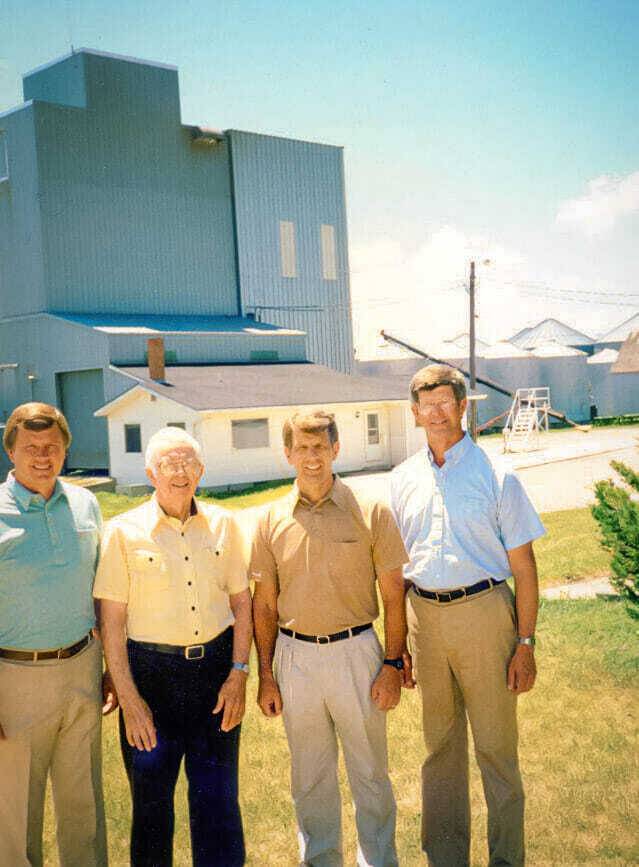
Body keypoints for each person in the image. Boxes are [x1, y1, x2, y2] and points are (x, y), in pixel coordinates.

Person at [390, 364, 545, 867]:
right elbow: (396, 572)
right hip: (424, 621)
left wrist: (525, 644)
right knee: (439, 750)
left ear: (462, 406)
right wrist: (399, 649)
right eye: (425, 404)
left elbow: (525, 569)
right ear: (414, 414)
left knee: (497, 751)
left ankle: (506, 860)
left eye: (445, 402)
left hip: (485, 615)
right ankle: (447, 857)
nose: (436, 412)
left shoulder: (498, 476)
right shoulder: (401, 480)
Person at [251, 410, 410, 867]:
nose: (311, 457)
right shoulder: (269, 520)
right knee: (310, 776)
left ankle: (378, 860)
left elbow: (394, 594)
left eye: (319, 447)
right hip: (295, 657)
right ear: (287, 455)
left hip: (357, 653)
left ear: (336, 450)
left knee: (370, 773)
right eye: (301, 448)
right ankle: (320, 859)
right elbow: (264, 605)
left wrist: (393, 664)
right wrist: (266, 676)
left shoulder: (371, 511)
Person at [94, 426, 251, 867]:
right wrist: (130, 700)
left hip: (216, 677)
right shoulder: (123, 533)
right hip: (151, 680)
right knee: (151, 807)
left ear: (201, 470)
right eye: (168, 463)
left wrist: (239, 674)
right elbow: (112, 622)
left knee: (218, 803)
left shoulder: (224, 525)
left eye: (188, 463)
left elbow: (242, 602)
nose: (179, 472)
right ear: (150, 472)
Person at [0, 402, 114, 867]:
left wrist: (108, 668)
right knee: (14, 811)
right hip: (15, 678)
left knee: (83, 802)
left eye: (52, 447)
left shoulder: (86, 503)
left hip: (82, 669)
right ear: (11, 452)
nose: (42, 456)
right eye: (31, 447)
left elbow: (101, 591)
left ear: (66, 450)